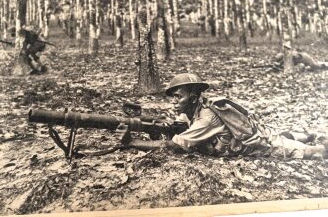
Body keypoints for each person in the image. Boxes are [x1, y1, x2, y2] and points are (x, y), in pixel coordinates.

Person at [117, 73, 328, 159]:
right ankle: (308, 133)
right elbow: (175, 126)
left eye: (178, 97)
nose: (174, 101)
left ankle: (319, 144)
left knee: (309, 152)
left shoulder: (206, 118)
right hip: (256, 134)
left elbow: (174, 146)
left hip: (257, 146)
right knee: (281, 136)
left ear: (192, 97)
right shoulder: (195, 109)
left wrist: (132, 142)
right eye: (172, 97)